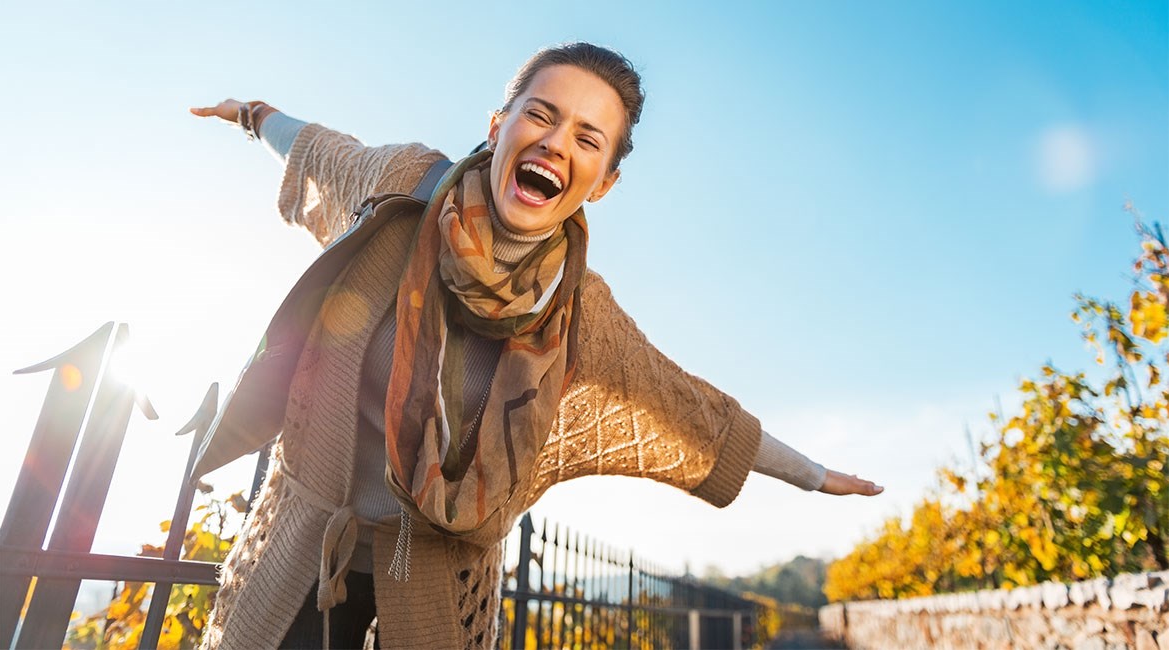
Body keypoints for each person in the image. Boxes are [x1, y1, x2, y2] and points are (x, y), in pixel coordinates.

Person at [188, 42, 882, 650]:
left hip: (433, 583)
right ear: (500, 126)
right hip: (304, 555)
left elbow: (692, 411)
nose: (556, 143)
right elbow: (319, 150)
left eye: (589, 138)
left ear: (604, 181)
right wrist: (253, 115)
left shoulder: (583, 313)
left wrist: (814, 474)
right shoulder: (404, 183)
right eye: (542, 115)